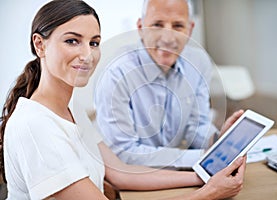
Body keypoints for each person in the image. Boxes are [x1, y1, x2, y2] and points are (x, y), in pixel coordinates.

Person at [0, 0, 246, 199]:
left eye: (94, 43)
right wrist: (209, 193)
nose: (87, 55)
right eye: (72, 40)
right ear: (40, 45)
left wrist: (203, 177)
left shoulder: (70, 108)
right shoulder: (36, 127)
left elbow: (121, 174)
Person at [94, 0, 243, 168]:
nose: (168, 38)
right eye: (157, 25)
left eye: (178, 26)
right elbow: (123, 153)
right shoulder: (116, 72)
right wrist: (200, 156)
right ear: (141, 28)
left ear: (190, 29)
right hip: (126, 176)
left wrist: (217, 140)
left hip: (171, 171)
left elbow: (196, 126)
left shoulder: (199, 62)